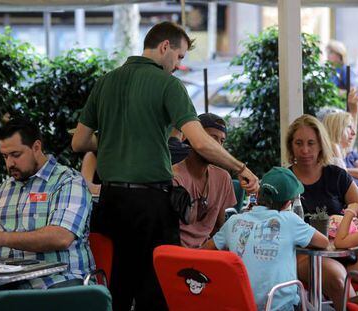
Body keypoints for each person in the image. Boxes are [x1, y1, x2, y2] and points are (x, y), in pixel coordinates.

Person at [71, 21, 259, 311]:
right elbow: (201, 142)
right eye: (180, 56)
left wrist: (117, 139)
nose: (179, 65)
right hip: (150, 204)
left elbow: (80, 142)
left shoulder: (106, 81)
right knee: (157, 289)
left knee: (118, 286)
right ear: (164, 47)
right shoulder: (168, 84)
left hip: (111, 201)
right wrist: (241, 168)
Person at [203, 167, 329, 311]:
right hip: (280, 307)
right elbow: (323, 242)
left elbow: (204, 252)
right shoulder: (289, 220)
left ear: (258, 195)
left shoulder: (233, 221)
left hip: (240, 305)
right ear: (288, 203)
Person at [0, 117, 94, 289]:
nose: (10, 163)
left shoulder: (68, 181)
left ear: (36, 147)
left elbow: (61, 237)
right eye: (5, 156)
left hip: (57, 282)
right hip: (5, 286)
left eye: (16, 155)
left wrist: (2, 238)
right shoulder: (2, 190)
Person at [286, 114, 358, 311]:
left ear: (321, 144)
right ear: (291, 146)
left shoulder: (336, 175)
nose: (305, 150)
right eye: (299, 143)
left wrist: (357, 221)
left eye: (311, 143)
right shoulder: (285, 180)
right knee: (339, 281)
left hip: (344, 251)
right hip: (303, 256)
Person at [173, 113, 237, 248]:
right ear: (193, 138)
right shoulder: (175, 177)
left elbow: (219, 227)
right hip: (176, 253)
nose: (218, 146)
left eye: (222, 141)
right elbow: (168, 232)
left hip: (205, 253)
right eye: (212, 138)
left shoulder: (223, 178)